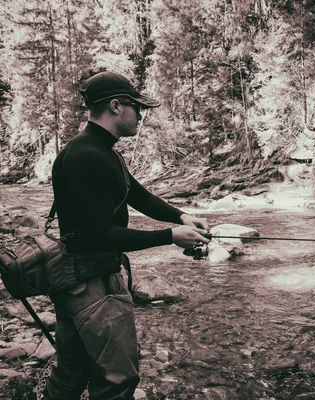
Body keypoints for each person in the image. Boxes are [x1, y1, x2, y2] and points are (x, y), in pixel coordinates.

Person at [44, 71, 210, 399]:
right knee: (117, 381)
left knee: (72, 371)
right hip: (94, 288)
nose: (141, 115)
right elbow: (96, 236)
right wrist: (170, 236)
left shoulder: (100, 150)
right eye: (137, 107)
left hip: (78, 283)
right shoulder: (87, 156)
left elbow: (139, 195)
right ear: (117, 106)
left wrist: (182, 216)